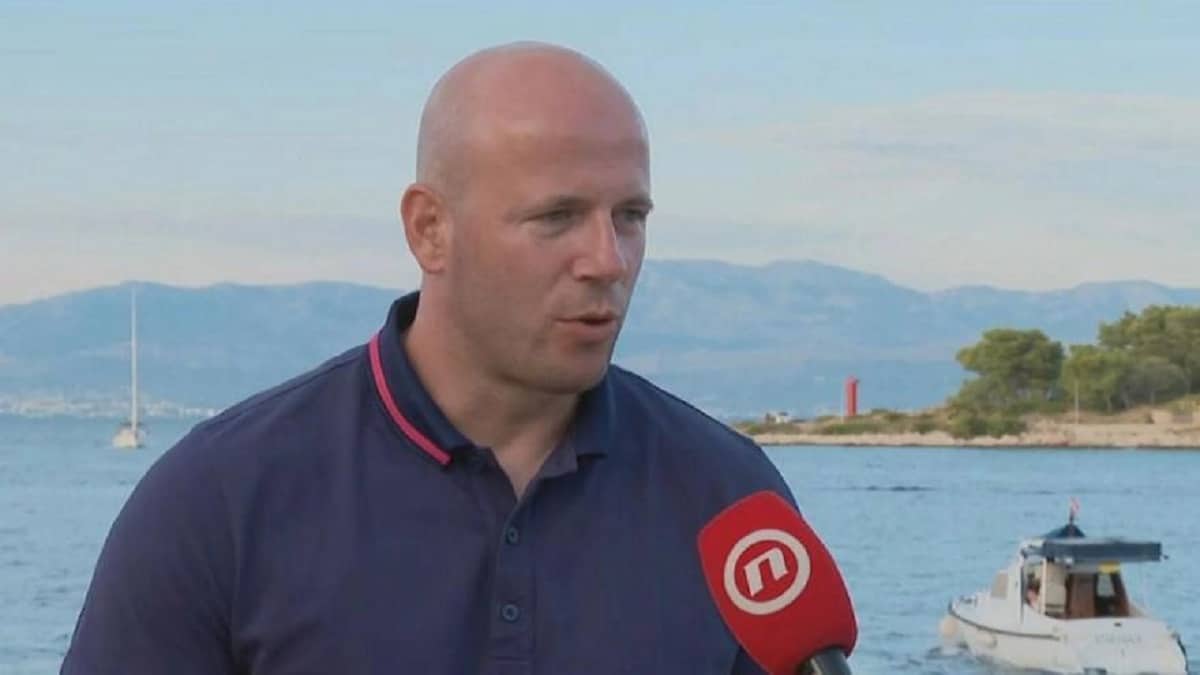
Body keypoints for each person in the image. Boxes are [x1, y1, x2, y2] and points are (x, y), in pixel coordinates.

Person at [62, 42, 798, 674]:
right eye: (557, 217)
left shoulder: (731, 500)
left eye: (629, 217)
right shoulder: (218, 501)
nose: (609, 259)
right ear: (429, 229)